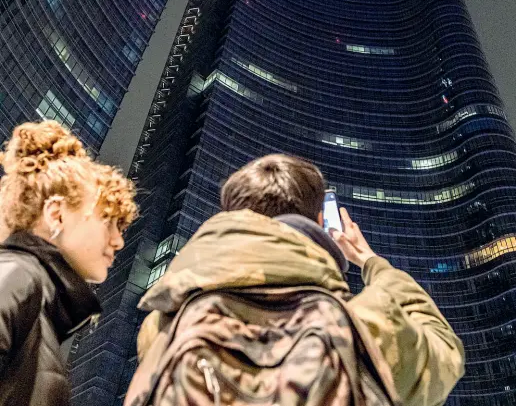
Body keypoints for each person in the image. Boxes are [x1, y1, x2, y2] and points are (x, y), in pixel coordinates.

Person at [127, 154, 465, 406]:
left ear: (232, 220)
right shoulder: (367, 325)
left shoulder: (162, 327)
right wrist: (372, 262)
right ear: (320, 223)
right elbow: (446, 355)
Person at [0, 120, 138, 406]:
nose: (118, 241)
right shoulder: (19, 277)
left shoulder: (40, 305)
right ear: (57, 215)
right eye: (107, 222)